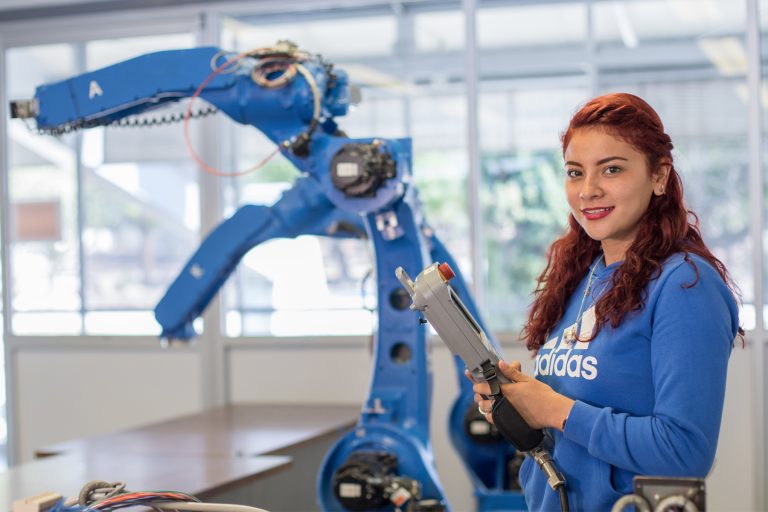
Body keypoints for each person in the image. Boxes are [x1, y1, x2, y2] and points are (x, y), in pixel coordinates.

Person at [471, 93, 742, 511]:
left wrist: (557, 410)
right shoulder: (583, 275)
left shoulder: (686, 285)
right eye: (575, 173)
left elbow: (685, 453)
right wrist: (521, 406)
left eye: (611, 169)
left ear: (659, 176)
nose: (588, 190)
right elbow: (569, 434)